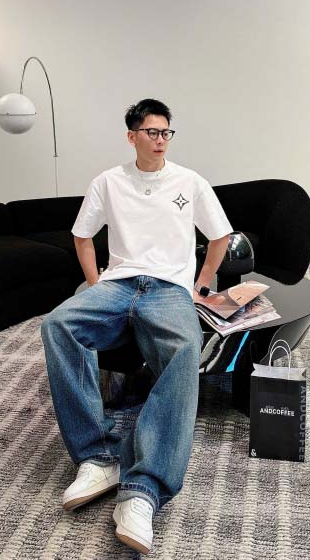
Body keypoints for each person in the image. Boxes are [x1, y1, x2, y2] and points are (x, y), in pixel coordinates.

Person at [41, 98, 232, 555]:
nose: (161, 140)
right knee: (58, 324)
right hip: (118, 283)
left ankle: (143, 489)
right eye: (152, 132)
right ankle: (97, 456)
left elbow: (220, 235)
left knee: (185, 347)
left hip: (168, 289)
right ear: (132, 136)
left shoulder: (190, 182)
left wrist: (200, 286)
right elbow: (82, 235)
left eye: (166, 132)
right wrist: (94, 285)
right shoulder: (108, 181)